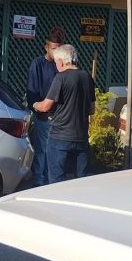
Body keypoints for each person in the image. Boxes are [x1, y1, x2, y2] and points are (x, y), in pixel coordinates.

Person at [33, 44, 94, 184]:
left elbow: (46, 105)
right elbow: (92, 109)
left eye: (56, 63)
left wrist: (35, 105)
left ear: (61, 62)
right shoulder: (87, 77)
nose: (56, 66)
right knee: (81, 180)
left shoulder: (60, 78)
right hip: (82, 137)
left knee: (57, 181)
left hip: (60, 137)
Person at [25, 28, 64, 187]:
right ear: (46, 47)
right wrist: (38, 108)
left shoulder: (62, 66)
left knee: (56, 151)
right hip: (44, 115)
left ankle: (52, 181)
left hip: (61, 116)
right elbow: (32, 90)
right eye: (53, 48)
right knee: (42, 150)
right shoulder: (38, 64)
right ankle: (39, 181)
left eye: (58, 48)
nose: (56, 52)